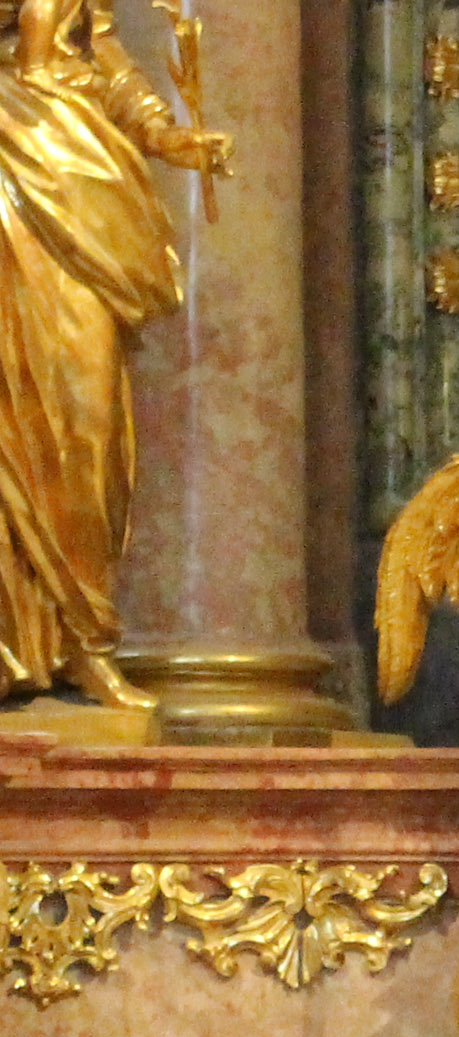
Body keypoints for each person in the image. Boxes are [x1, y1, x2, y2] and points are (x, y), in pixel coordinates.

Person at [0, 0, 228, 709]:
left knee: (89, 423)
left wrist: (163, 133)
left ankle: (84, 637)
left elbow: (103, 52)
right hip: (6, 150)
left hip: (75, 169)